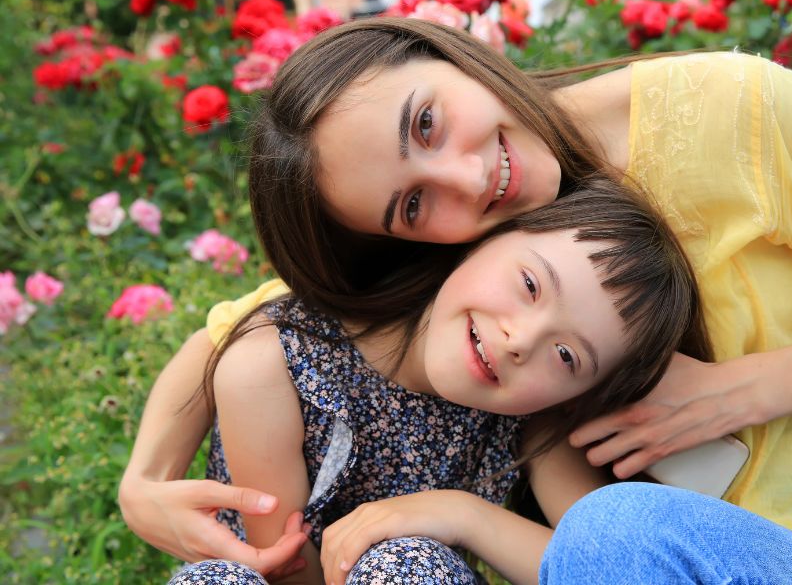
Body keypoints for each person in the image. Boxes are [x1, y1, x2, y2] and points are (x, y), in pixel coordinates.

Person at [118, 18, 792, 581]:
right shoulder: (481, 235)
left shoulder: (740, 108)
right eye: (411, 205)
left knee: (620, 534)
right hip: (612, 555)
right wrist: (143, 480)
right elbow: (259, 323)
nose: (465, 175)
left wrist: (735, 390)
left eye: (426, 122)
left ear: (436, 51)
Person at [168, 179, 710, 584]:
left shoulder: (527, 417)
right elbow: (284, 569)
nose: (521, 339)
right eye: (529, 283)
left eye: (567, 355)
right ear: (489, 235)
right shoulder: (273, 362)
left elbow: (606, 570)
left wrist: (464, 515)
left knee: (405, 564)